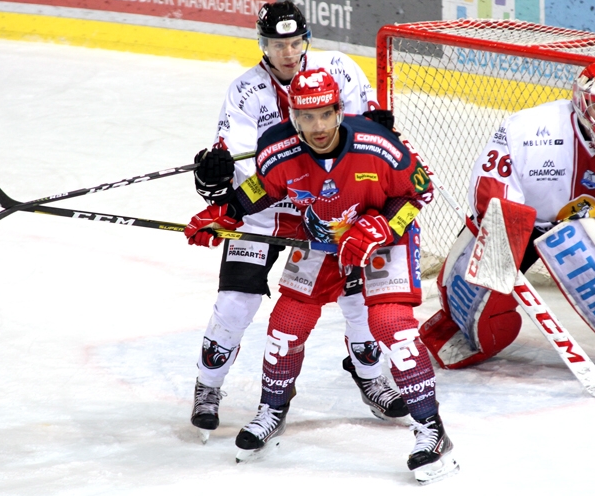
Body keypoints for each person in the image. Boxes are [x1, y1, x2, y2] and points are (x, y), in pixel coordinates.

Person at [184, 69, 458, 484]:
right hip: (322, 238)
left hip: (386, 236)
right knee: (285, 326)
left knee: (392, 328)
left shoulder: (378, 145)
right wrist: (226, 213)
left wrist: (380, 227)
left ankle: (432, 432)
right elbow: (263, 187)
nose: (317, 127)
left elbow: (419, 192)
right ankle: (273, 409)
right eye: (306, 117)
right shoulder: (278, 148)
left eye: (325, 115)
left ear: (338, 111)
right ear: (293, 116)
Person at [186, 0, 407, 442]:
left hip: (332, 209)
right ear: (262, 44)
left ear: (306, 40)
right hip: (270, 207)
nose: (287, 53)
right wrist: (217, 188)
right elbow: (247, 172)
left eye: (294, 42)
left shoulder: (339, 71)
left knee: (358, 301)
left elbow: (364, 140)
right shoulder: (246, 92)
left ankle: (370, 375)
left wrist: (381, 132)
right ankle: (207, 387)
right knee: (236, 302)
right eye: (276, 44)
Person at [421, 61, 595, 374]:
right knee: (478, 305)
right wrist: (500, 238)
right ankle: (459, 325)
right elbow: (492, 187)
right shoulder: (527, 128)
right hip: (523, 225)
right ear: (580, 101)